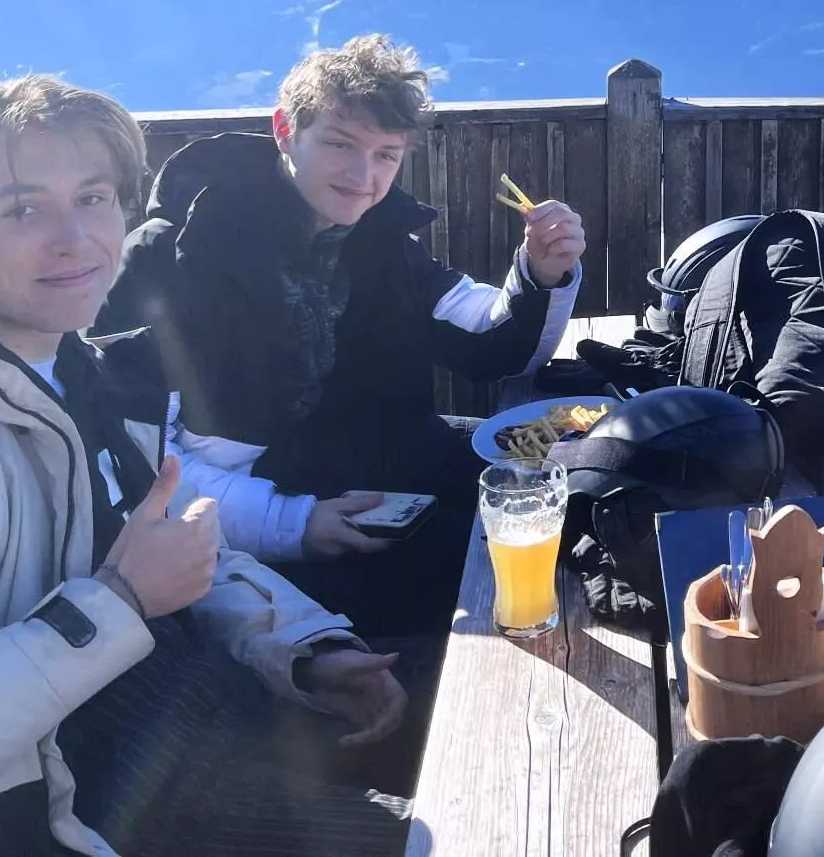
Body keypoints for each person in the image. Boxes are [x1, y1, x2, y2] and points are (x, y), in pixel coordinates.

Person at [0, 75, 409, 856]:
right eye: (22, 208)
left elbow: (171, 554)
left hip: (197, 719)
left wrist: (309, 651)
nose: (76, 238)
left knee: (472, 719)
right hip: (86, 806)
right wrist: (115, 602)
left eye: (94, 196)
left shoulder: (85, 375)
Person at [95, 34, 585, 638]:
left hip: (381, 458)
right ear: (284, 130)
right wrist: (292, 522)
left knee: (569, 474)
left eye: (386, 155)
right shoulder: (171, 257)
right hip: (256, 529)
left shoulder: (377, 238)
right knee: (490, 577)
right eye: (340, 144)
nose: (364, 176)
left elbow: (488, 340)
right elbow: (132, 465)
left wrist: (541, 273)